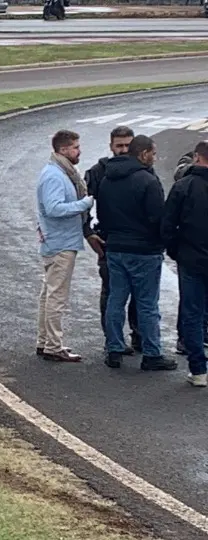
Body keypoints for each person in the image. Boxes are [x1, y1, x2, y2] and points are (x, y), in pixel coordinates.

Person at [96, 134, 176, 370]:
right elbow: (157, 218)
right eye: (153, 153)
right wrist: (163, 241)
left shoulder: (107, 180)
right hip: (144, 251)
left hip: (116, 247)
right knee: (147, 304)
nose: (155, 157)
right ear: (143, 154)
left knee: (115, 299)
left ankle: (114, 349)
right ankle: (152, 353)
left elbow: (103, 215)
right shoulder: (147, 181)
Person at [35, 129, 94, 363]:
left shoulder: (60, 171)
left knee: (48, 294)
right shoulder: (54, 176)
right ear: (63, 149)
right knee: (56, 296)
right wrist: (84, 203)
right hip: (60, 243)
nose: (79, 151)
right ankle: (53, 345)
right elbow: (54, 208)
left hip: (58, 240)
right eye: (75, 147)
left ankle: (45, 341)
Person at [83, 125, 141, 354]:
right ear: (111, 146)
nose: (124, 149)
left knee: (139, 294)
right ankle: (113, 340)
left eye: (128, 145)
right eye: (120, 145)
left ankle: (139, 336)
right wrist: (88, 233)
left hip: (138, 242)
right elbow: (83, 205)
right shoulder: (97, 172)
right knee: (110, 291)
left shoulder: (143, 170)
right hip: (108, 240)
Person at [162, 140, 208, 386]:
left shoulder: (183, 187)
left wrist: (175, 251)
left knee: (192, 312)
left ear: (197, 158)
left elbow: (167, 225)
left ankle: (199, 370)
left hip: (190, 258)